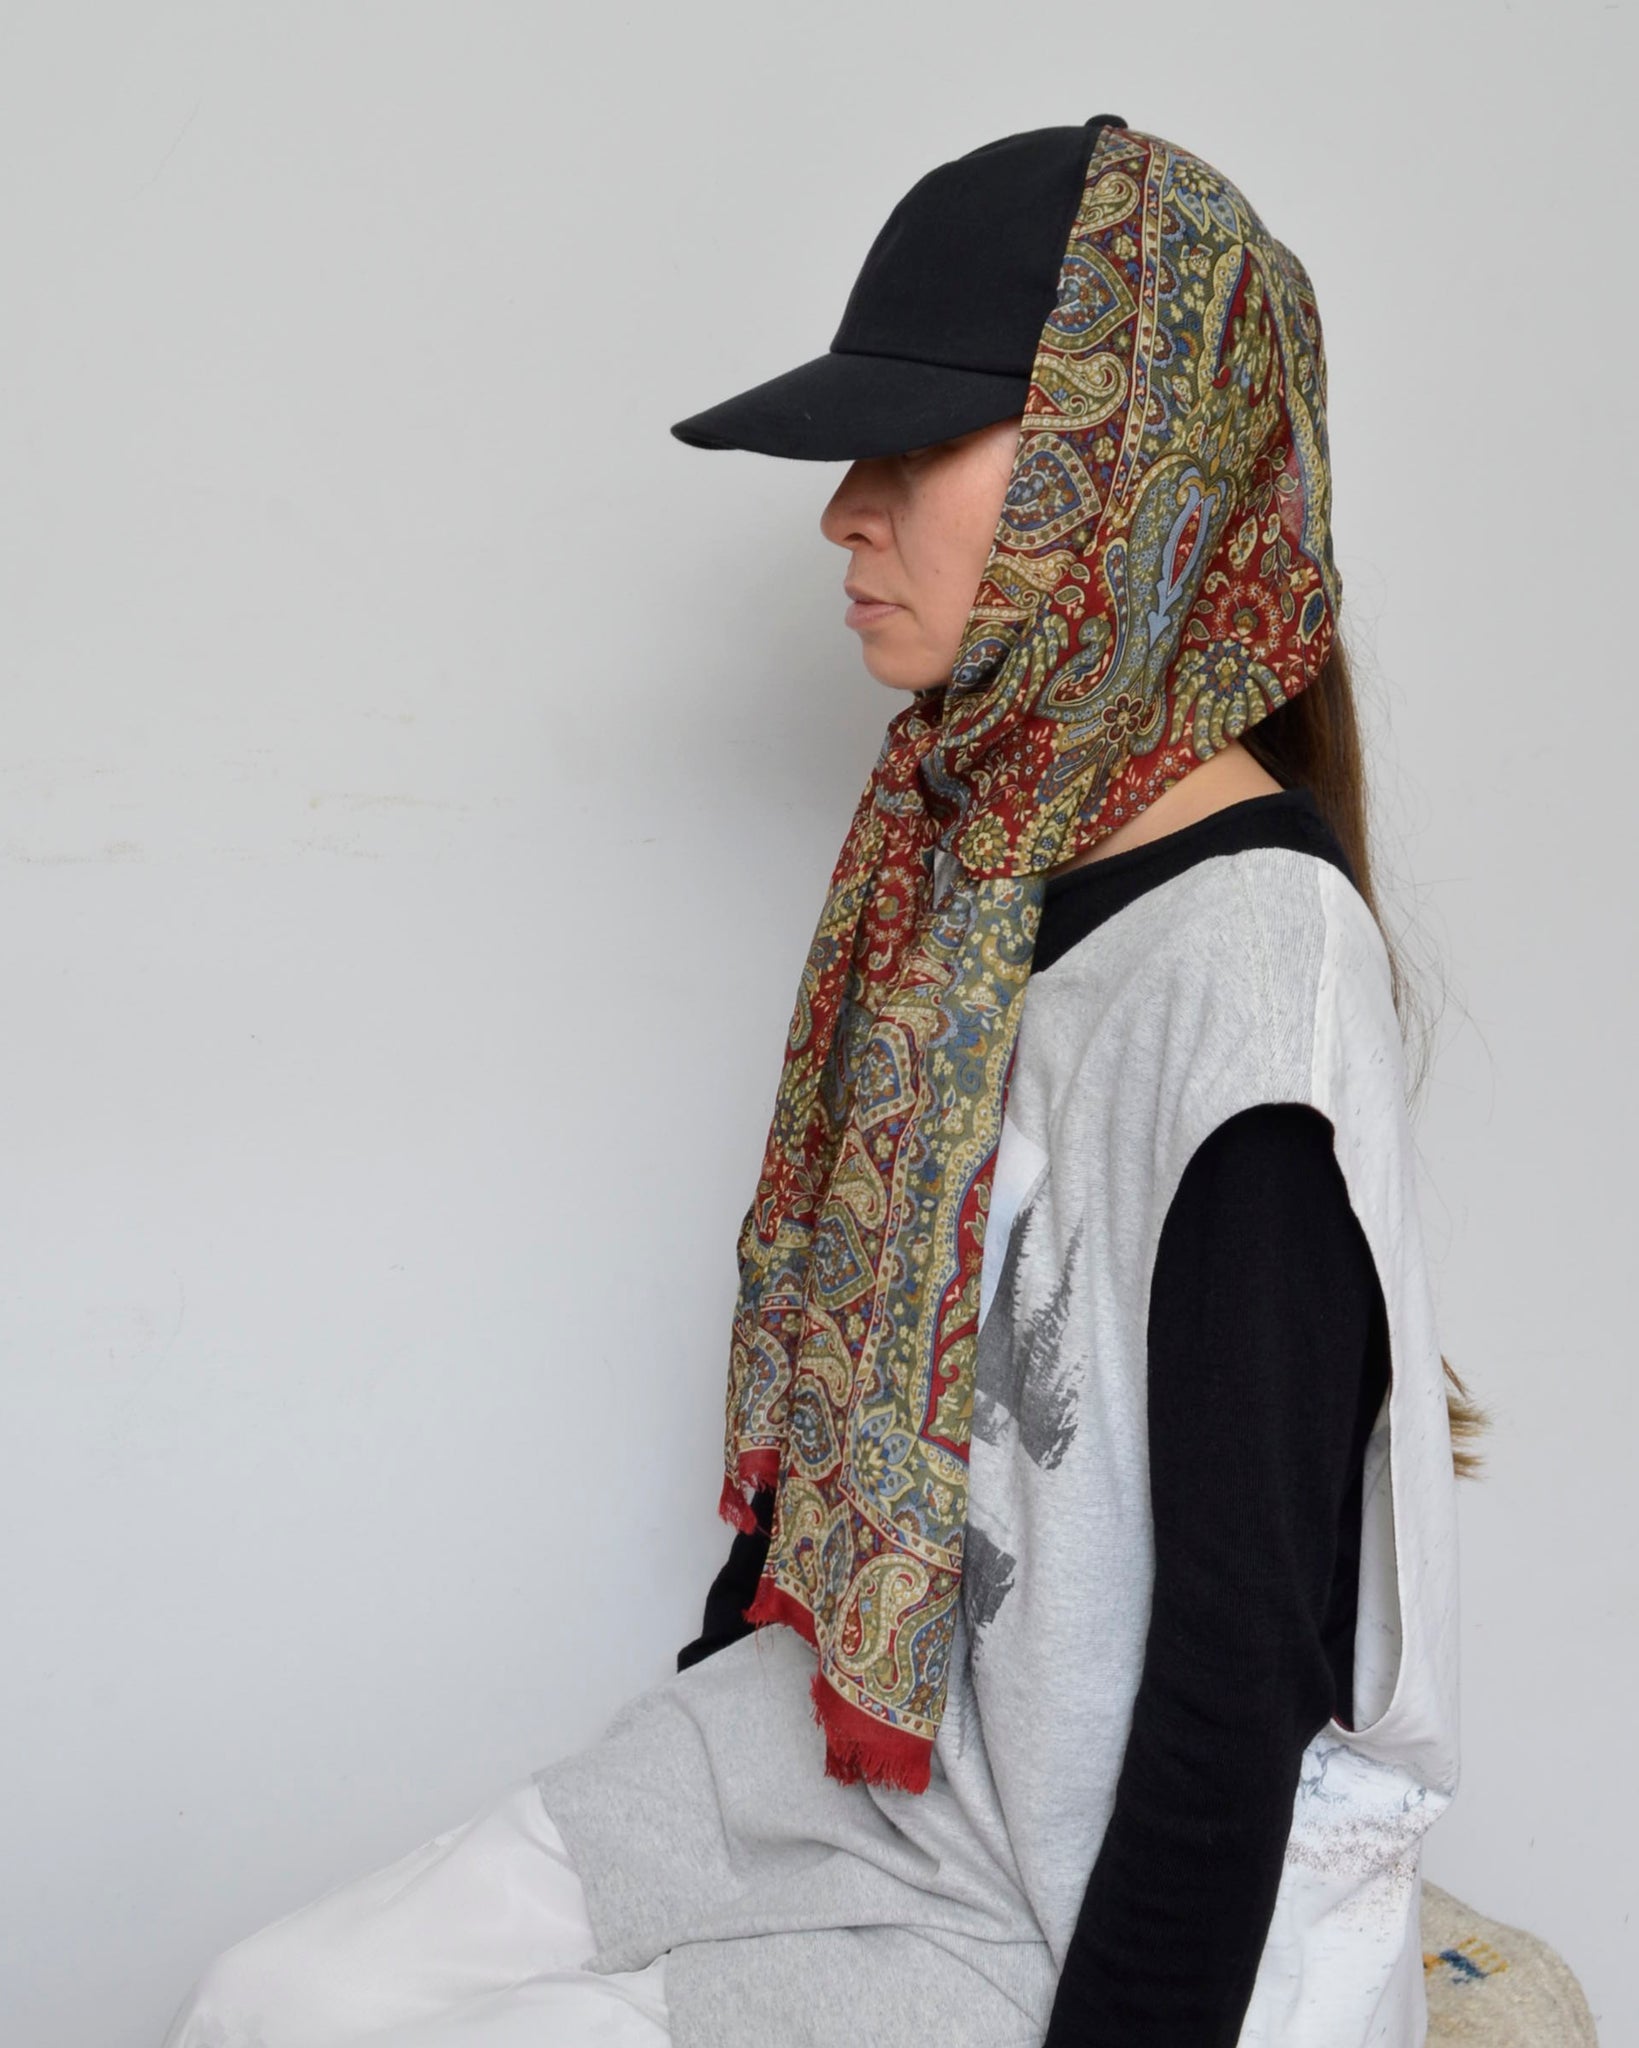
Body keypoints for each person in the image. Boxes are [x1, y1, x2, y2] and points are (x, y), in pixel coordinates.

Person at [162, 116, 1481, 2048]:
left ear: (1126, 467)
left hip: (1040, 1895)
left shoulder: (1254, 975)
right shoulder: (957, 858)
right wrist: (708, 1713)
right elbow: (859, 1406)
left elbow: (1240, 1671)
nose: (845, 515)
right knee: (268, 2003)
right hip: (846, 1757)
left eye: (917, 446)